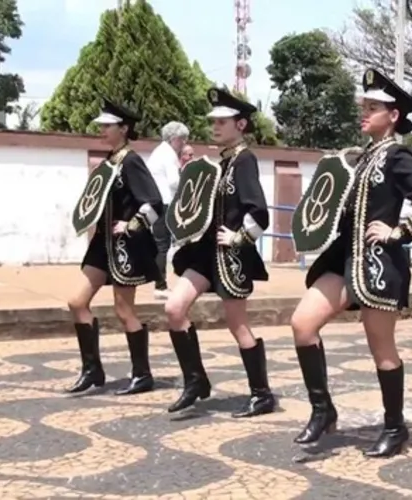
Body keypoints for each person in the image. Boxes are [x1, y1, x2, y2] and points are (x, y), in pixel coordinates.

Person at [288, 68, 412, 458]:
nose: (365, 112)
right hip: (343, 258)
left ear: (393, 115)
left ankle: (395, 426)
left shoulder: (397, 155)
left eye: (374, 107)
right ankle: (323, 411)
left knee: (382, 349)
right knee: (302, 324)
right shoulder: (359, 159)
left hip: (378, 264)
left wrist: (398, 233)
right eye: (365, 106)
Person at [162, 87, 276, 416]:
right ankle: (196, 380)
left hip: (230, 257)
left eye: (222, 122)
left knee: (236, 324)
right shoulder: (218, 164)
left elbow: (259, 212)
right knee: (174, 308)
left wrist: (240, 238)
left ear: (240, 125)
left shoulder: (244, 160)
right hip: (202, 254)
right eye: (213, 121)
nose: (214, 126)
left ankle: (261, 393)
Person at [66, 99, 164, 395]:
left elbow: (154, 203)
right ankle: (92, 371)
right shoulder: (108, 164)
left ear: (124, 129)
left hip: (126, 248)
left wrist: (131, 224)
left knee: (124, 312)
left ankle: (142, 374)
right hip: (101, 246)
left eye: (108, 126)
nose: (102, 130)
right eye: (101, 126)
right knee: (77, 301)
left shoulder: (132, 161)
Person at [146, 122, 188, 299]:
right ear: (175, 139)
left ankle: (161, 283)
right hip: (164, 203)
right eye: (183, 140)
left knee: (161, 245)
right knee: (163, 246)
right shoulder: (169, 154)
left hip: (155, 203)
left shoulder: (158, 152)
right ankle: (161, 286)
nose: (184, 144)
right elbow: (173, 182)